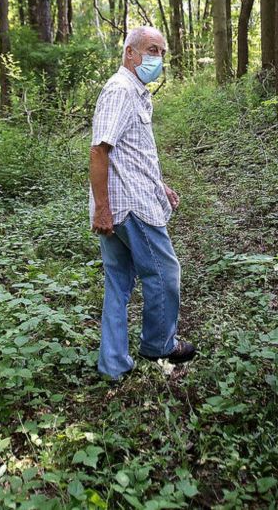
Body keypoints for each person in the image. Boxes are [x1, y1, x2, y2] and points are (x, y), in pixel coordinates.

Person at [89, 25, 196, 380]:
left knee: (118, 285)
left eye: (163, 53)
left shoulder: (135, 93)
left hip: (129, 200)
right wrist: (102, 207)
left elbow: (131, 153)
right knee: (165, 274)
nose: (158, 58)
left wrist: (159, 185)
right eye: (152, 50)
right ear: (130, 53)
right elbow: (99, 150)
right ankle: (160, 345)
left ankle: (113, 365)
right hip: (129, 208)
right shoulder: (120, 90)